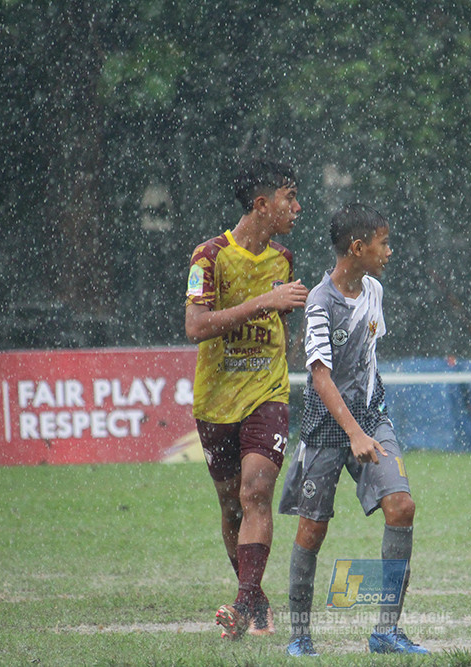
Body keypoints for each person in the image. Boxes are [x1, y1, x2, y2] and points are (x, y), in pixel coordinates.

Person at [279, 203, 429, 656]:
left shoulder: (374, 291)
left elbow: (367, 358)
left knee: (401, 507)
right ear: (358, 247)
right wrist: (352, 435)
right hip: (327, 428)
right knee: (311, 531)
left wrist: (369, 424)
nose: (388, 250)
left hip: (370, 416)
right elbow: (320, 377)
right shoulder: (320, 303)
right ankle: (300, 637)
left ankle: (386, 633)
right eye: (383, 242)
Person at [184, 159, 308, 640]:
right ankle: (255, 599)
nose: (296, 207)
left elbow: (284, 325)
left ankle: (239, 605)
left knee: (256, 491)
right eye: (288, 198)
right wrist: (263, 304)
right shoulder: (209, 257)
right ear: (262, 204)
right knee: (231, 506)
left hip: (268, 393)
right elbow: (195, 327)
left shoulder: (285, 259)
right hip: (215, 400)